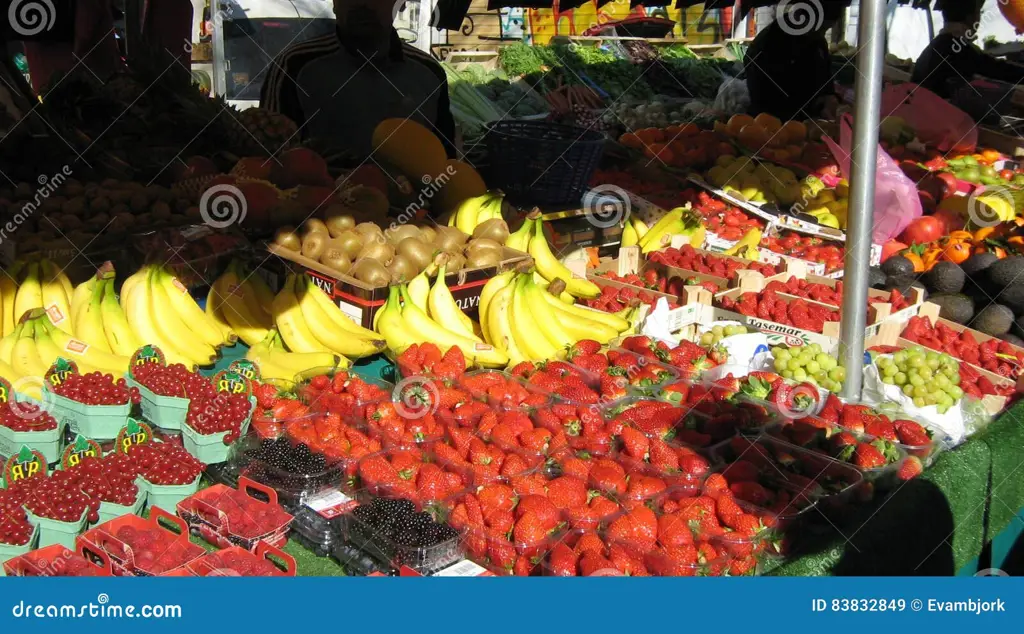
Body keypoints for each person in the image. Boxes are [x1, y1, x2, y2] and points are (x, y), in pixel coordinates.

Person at [260, 0, 455, 161]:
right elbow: (267, 159)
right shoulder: (294, 66)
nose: (362, 3)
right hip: (320, 205)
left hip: (417, 205)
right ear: (334, 3)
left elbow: (448, 164)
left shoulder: (429, 73)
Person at [743, 3, 844, 122]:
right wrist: (812, 104)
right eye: (820, 28)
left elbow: (825, 81)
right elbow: (768, 97)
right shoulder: (769, 43)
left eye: (826, 29)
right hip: (771, 124)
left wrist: (829, 98)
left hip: (809, 125)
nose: (821, 33)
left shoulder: (817, 42)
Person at [911, 1, 1024, 102]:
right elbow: (998, 70)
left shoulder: (934, 46)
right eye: (980, 13)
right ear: (971, 18)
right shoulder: (959, 49)